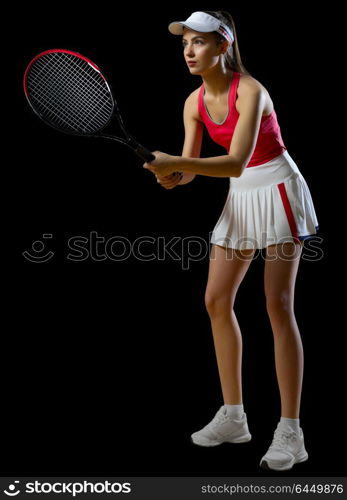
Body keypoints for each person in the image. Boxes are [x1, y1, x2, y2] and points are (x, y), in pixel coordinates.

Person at [143, 10, 318, 471]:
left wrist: (179, 163)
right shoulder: (192, 102)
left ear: (223, 46)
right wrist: (173, 176)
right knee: (217, 300)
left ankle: (291, 432)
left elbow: (237, 161)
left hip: (277, 187)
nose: (189, 51)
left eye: (199, 42)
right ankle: (235, 417)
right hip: (241, 196)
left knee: (277, 304)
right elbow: (192, 170)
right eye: (185, 44)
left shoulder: (253, 91)